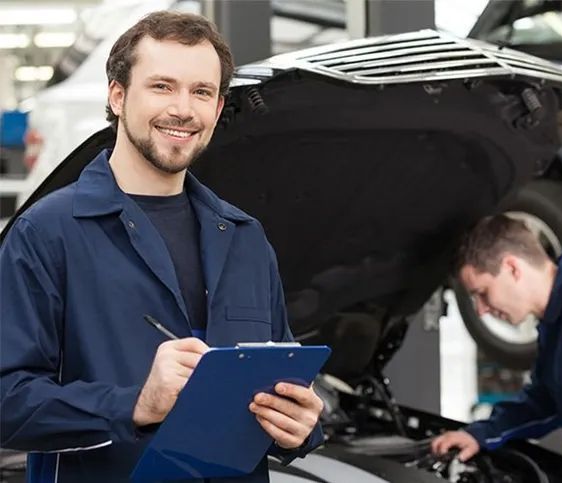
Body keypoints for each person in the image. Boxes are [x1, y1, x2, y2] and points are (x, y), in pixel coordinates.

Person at [0, 11, 324, 483]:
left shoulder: (245, 238)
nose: (183, 109)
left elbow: (280, 380)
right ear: (117, 95)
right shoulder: (47, 233)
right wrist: (134, 404)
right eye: (162, 86)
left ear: (217, 109)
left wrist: (302, 425)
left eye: (201, 92)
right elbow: (7, 399)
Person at [431, 214, 562, 462]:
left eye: (482, 293)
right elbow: (545, 402)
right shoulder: (557, 320)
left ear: (512, 268)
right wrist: (481, 434)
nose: (481, 310)